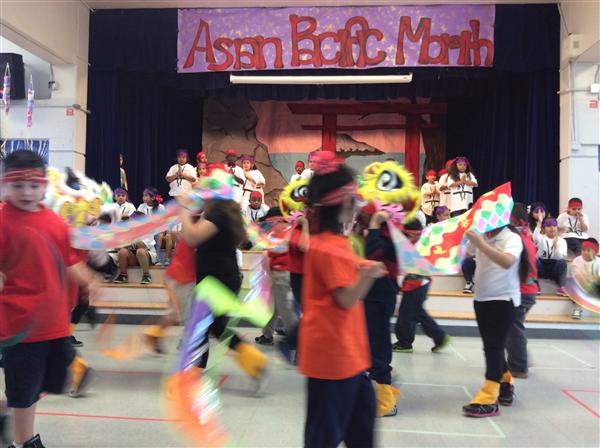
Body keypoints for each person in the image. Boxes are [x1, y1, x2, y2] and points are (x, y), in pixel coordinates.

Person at [0, 150, 98, 448]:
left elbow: (69, 260)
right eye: (18, 185)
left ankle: (7, 415)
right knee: (24, 390)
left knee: (48, 382)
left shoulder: (54, 222)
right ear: (5, 185)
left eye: (33, 185)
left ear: (44, 186)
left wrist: (89, 280)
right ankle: (24, 442)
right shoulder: (2, 222)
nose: (26, 192)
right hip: (20, 327)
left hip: (54, 325)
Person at [299, 152, 386, 448]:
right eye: (354, 203)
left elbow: (343, 281)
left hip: (349, 357)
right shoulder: (330, 247)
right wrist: (368, 275)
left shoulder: (334, 244)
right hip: (332, 360)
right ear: (345, 205)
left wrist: (362, 268)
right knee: (324, 438)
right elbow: (347, 298)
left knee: (361, 431)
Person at [179, 170, 270, 395]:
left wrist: (183, 209)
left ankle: (193, 377)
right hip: (219, 278)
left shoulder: (219, 215)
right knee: (217, 327)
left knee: (199, 327)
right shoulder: (220, 213)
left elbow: (192, 237)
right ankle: (255, 363)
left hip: (217, 281)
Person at [462, 218, 530, 417]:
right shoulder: (481, 235)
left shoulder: (511, 238)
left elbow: (507, 262)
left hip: (504, 301)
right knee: (491, 346)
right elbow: (466, 253)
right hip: (481, 299)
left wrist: (481, 243)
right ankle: (505, 381)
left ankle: (489, 397)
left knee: (493, 347)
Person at [363, 209, 401, 417]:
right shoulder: (374, 232)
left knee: (378, 346)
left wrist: (374, 225)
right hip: (369, 296)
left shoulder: (388, 234)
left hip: (380, 296)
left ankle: (385, 400)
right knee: (370, 345)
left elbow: (372, 253)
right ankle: (374, 391)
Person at [393, 220, 451, 354]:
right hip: (419, 283)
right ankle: (440, 338)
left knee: (406, 314)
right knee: (417, 312)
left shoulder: (416, 245)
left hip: (416, 284)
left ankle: (405, 343)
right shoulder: (422, 242)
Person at [255, 208, 297, 346]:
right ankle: (267, 334)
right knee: (275, 306)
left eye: (271, 221)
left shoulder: (284, 232)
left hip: (281, 273)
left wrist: (265, 242)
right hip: (280, 272)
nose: (270, 224)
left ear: (279, 220)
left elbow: (277, 249)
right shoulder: (286, 231)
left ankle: (296, 337)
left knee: (284, 307)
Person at [506, 203, 538, 379]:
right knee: (511, 327)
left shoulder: (518, 240)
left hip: (522, 291)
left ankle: (519, 366)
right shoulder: (525, 236)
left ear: (514, 220)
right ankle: (520, 358)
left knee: (513, 327)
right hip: (526, 290)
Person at [113, 212, 157, 284]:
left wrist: (130, 240)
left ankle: (146, 275)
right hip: (135, 257)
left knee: (140, 251)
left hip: (147, 256)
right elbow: (117, 247)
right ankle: (123, 275)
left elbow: (141, 245)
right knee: (122, 251)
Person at [532, 217, 568, 296]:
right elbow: (534, 237)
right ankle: (535, 285)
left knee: (563, 262)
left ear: (557, 227)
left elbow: (560, 257)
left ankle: (562, 287)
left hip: (554, 267)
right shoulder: (541, 238)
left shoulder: (562, 241)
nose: (552, 228)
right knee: (533, 260)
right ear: (544, 228)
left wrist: (556, 247)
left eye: (554, 225)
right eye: (548, 226)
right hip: (542, 266)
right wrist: (539, 222)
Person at [570, 238, 600, 319]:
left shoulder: (598, 261)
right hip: (579, 286)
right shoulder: (576, 261)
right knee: (576, 287)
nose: (585, 252)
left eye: (589, 250)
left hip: (593, 287)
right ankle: (577, 308)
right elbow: (578, 276)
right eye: (583, 250)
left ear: (595, 252)